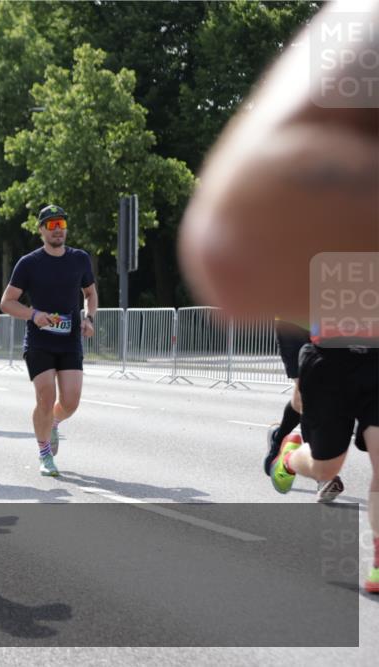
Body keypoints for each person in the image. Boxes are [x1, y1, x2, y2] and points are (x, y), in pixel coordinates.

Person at [178, 0, 378, 594]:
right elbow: (235, 256)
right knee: (329, 464)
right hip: (332, 354)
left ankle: (375, 562)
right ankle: (289, 454)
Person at [0, 205, 98, 477]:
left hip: (69, 341)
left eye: (62, 224)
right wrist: (34, 314)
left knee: (71, 401)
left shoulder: (79, 259)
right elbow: (6, 302)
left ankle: (53, 423)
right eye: (52, 225)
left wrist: (89, 319)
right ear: (41, 229)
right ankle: (44, 454)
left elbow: (90, 293)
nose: (58, 230)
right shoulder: (29, 263)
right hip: (39, 342)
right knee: (46, 397)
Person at [266, 319, 343, 503]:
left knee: (303, 398)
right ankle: (323, 475)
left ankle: (278, 438)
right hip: (291, 324)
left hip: (327, 324)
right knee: (307, 397)